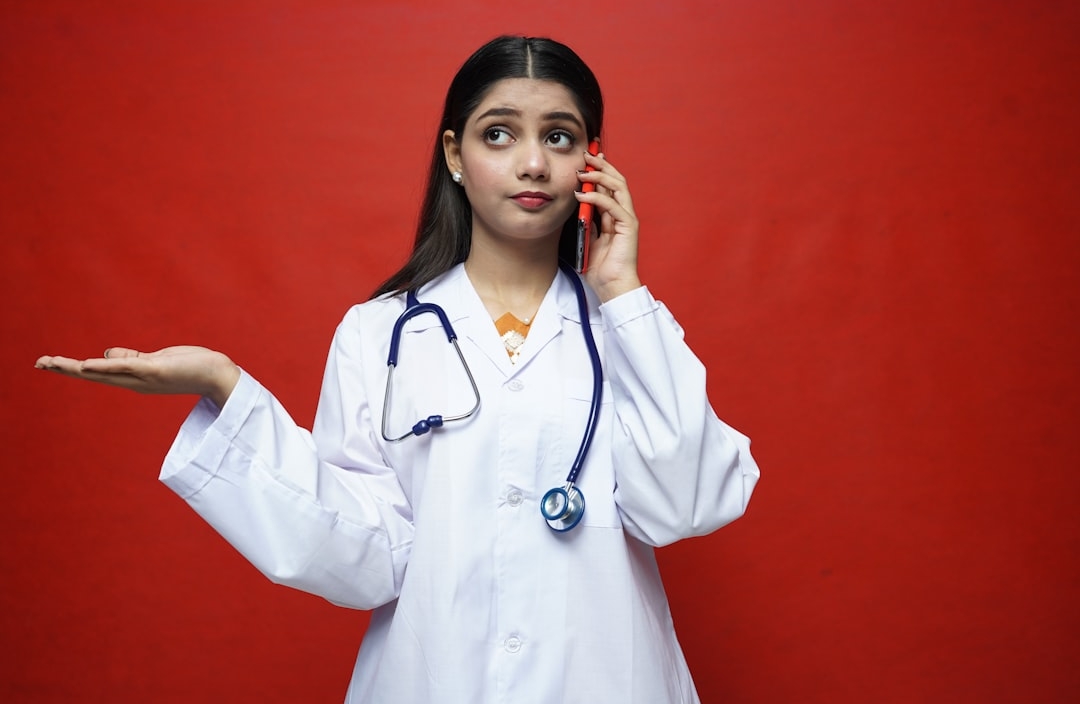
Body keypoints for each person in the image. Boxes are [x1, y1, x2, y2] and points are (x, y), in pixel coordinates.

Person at [36, 35, 760, 704]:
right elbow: (365, 554)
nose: (533, 162)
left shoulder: (628, 332)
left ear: (592, 163)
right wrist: (224, 384)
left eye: (559, 137)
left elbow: (687, 504)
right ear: (454, 154)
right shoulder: (378, 332)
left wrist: (623, 293)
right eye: (499, 134)